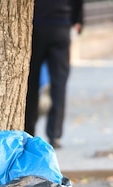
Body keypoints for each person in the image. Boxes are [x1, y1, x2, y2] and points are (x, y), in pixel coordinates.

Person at [25, 0, 83, 149]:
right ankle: (55, 135)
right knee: (59, 83)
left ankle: (28, 131)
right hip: (61, 24)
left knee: (30, 82)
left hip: (36, 24)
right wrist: (78, 19)